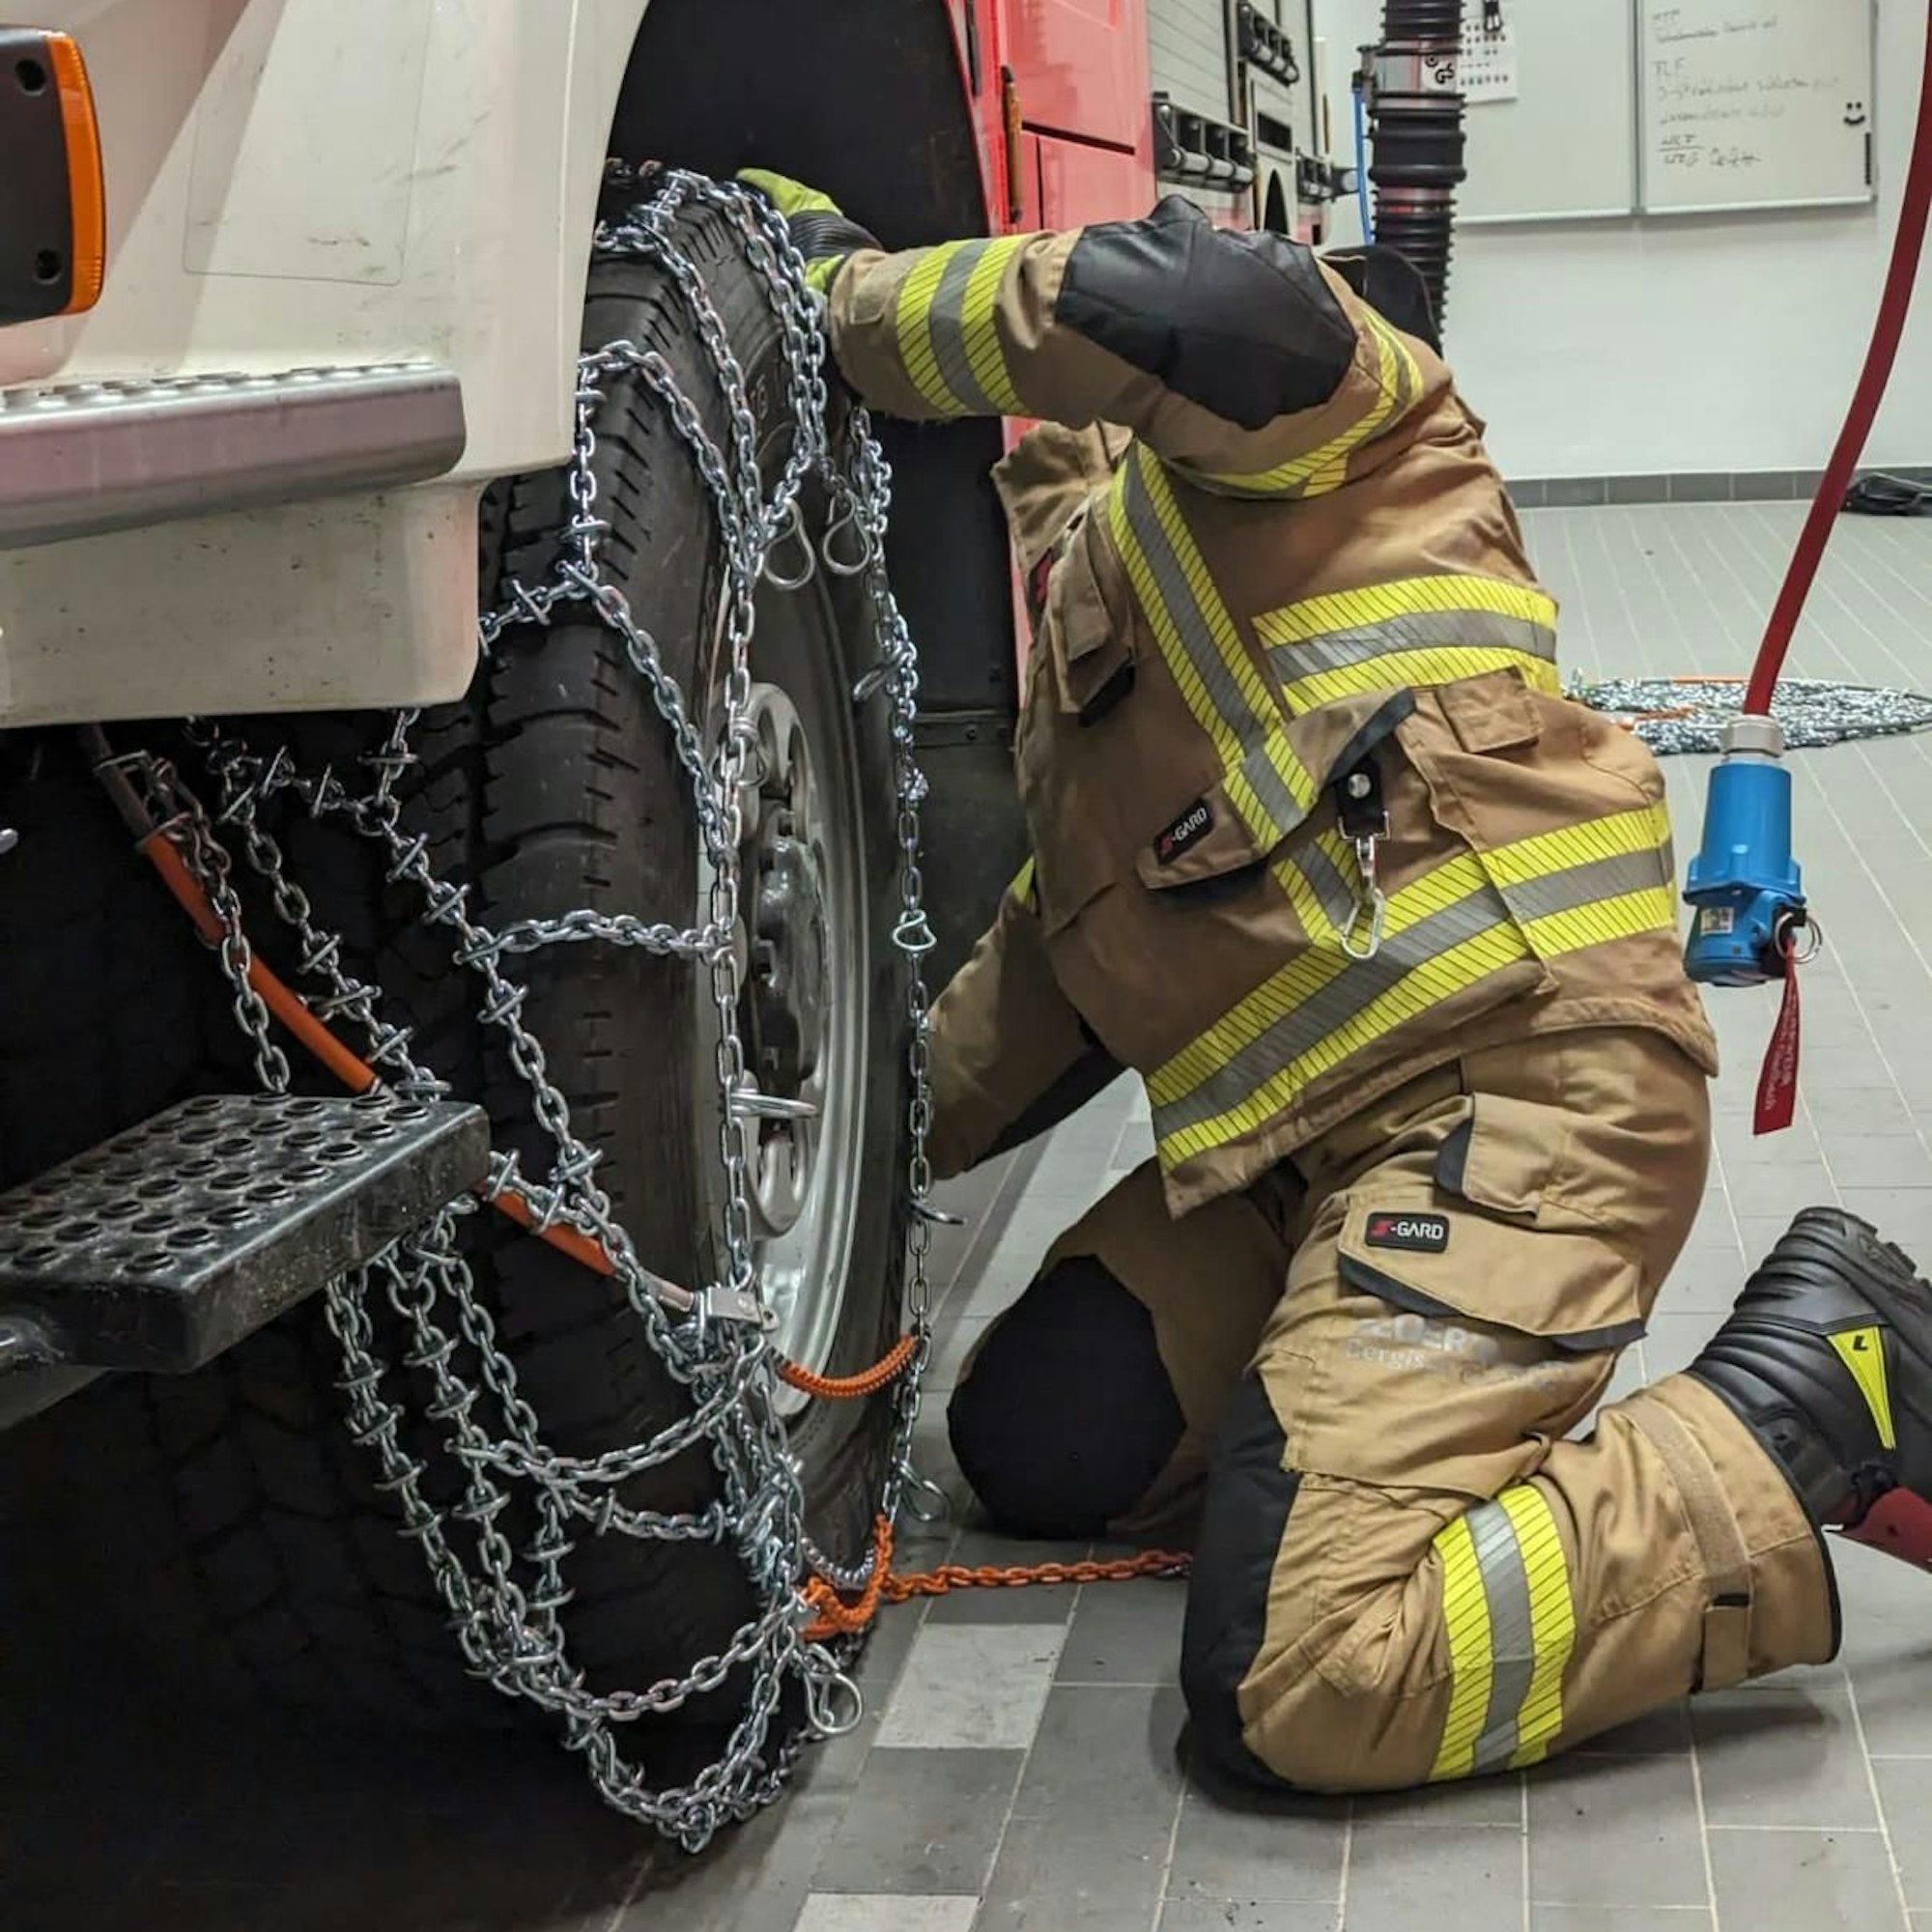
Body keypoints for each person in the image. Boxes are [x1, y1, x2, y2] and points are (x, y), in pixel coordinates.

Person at [741, 169, 1932, 1792]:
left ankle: (1819, 1395)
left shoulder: (1352, 416)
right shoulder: (1097, 720)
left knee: (1301, 1679)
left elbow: (1203, 304)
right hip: (1302, 1170)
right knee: (1038, 1441)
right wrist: (760, 1164)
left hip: (1527, 1102)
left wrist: (840, 301)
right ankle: (1351, 1415)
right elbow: (993, 1038)